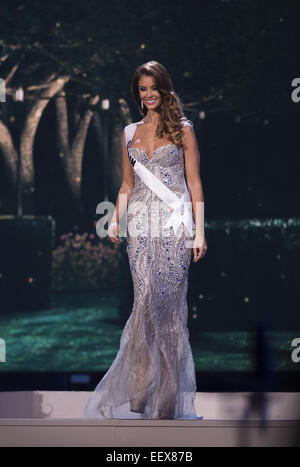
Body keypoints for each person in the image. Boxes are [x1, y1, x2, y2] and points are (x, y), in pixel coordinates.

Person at [83, 60, 207, 420]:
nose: (149, 94)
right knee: (145, 302)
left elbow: (195, 183)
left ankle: (166, 401)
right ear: (137, 93)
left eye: (154, 87)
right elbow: (126, 185)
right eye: (142, 89)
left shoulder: (183, 130)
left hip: (173, 226)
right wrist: (115, 220)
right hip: (140, 226)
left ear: (164, 88)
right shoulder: (128, 133)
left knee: (166, 309)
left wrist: (200, 230)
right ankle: (140, 394)